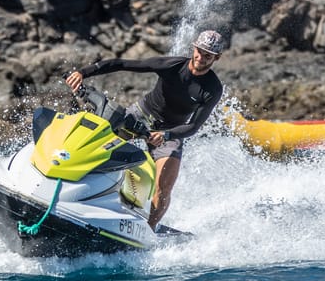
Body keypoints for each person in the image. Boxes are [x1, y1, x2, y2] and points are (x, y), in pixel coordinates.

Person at [64, 30, 225, 230]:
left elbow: (193, 126)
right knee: (96, 143)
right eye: (199, 51)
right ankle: (72, 189)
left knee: (164, 187)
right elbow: (122, 64)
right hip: (141, 114)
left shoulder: (213, 89)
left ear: (216, 58)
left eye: (208, 55)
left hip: (170, 132)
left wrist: (167, 135)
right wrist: (83, 72)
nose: (201, 58)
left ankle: (148, 231)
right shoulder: (171, 66)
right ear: (194, 48)